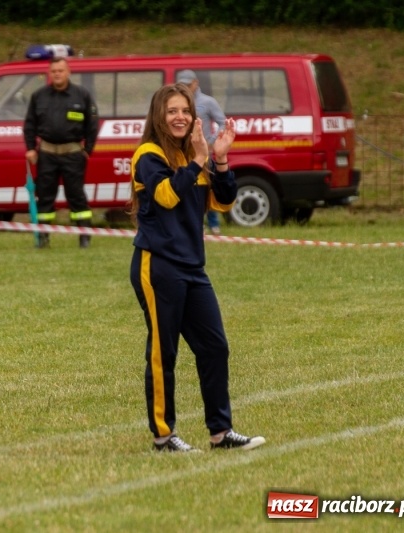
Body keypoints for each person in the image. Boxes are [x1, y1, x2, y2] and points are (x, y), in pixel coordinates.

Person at [128, 83, 265, 453]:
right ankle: (163, 436)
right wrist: (195, 162)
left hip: (192, 267)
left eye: (185, 111)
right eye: (172, 111)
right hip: (157, 265)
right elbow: (166, 197)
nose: (180, 117)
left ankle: (221, 433)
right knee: (164, 351)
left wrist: (218, 159)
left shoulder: (196, 154)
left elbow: (223, 202)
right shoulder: (148, 154)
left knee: (214, 346)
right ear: (159, 115)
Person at [23, 56, 98, 248]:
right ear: (49, 73)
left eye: (60, 71)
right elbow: (30, 125)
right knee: (45, 196)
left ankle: (84, 237)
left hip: (72, 154)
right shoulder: (39, 96)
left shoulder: (82, 95)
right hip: (46, 154)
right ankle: (43, 237)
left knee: (77, 196)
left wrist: (88, 150)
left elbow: (92, 125)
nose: (57, 74)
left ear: (68, 72)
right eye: (54, 71)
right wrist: (31, 148)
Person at [176, 69, 228, 235]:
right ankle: (194, 223)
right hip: (181, 154)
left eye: (188, 84)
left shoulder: (207, 102)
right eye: (182, 84)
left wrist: (211, 141)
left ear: (195, 83)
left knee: (207, 186)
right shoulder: (177, 103)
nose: (185, 87)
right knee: (185, 186)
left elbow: (223, 123)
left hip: (203, 154)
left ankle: (213, 224)